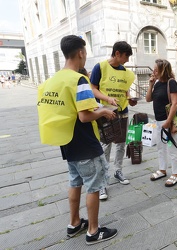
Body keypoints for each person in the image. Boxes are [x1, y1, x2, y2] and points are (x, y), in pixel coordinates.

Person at [37, 35, 118, 245]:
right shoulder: (79, 80)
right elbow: (84, 115)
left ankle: (74, 223)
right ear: (81, 53)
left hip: (66, 141)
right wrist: (104, 112)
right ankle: (93, 231)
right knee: (93, 184)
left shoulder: (51, 80)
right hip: (84, 142)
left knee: (75, 181)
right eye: (85, 54)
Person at [90, 41, 137, 200]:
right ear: (117, 53)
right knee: (105, 145)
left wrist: (129, 99)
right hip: (106, 112)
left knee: (121, 143)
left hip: (122, 111)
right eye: (126, 56)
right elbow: (93, 88)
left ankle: (118, 170)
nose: (127, 60)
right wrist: (107, 98)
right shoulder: (100, 67)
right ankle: (103, 181)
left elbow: (125, 90)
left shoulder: (125, 72)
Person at [146, 59, 177, 187]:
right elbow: (148, 99)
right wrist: (150, 84)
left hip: (168, 122)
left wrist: (168, 121)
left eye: (156, 69)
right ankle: (162, 169)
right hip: (158, 121)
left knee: (172, 147)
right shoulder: (157, 83)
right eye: (153, 69)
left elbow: (175, 103)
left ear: (163, 70)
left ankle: (176, 173)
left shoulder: (171, 83)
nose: (153, 71)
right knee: (160, 147)